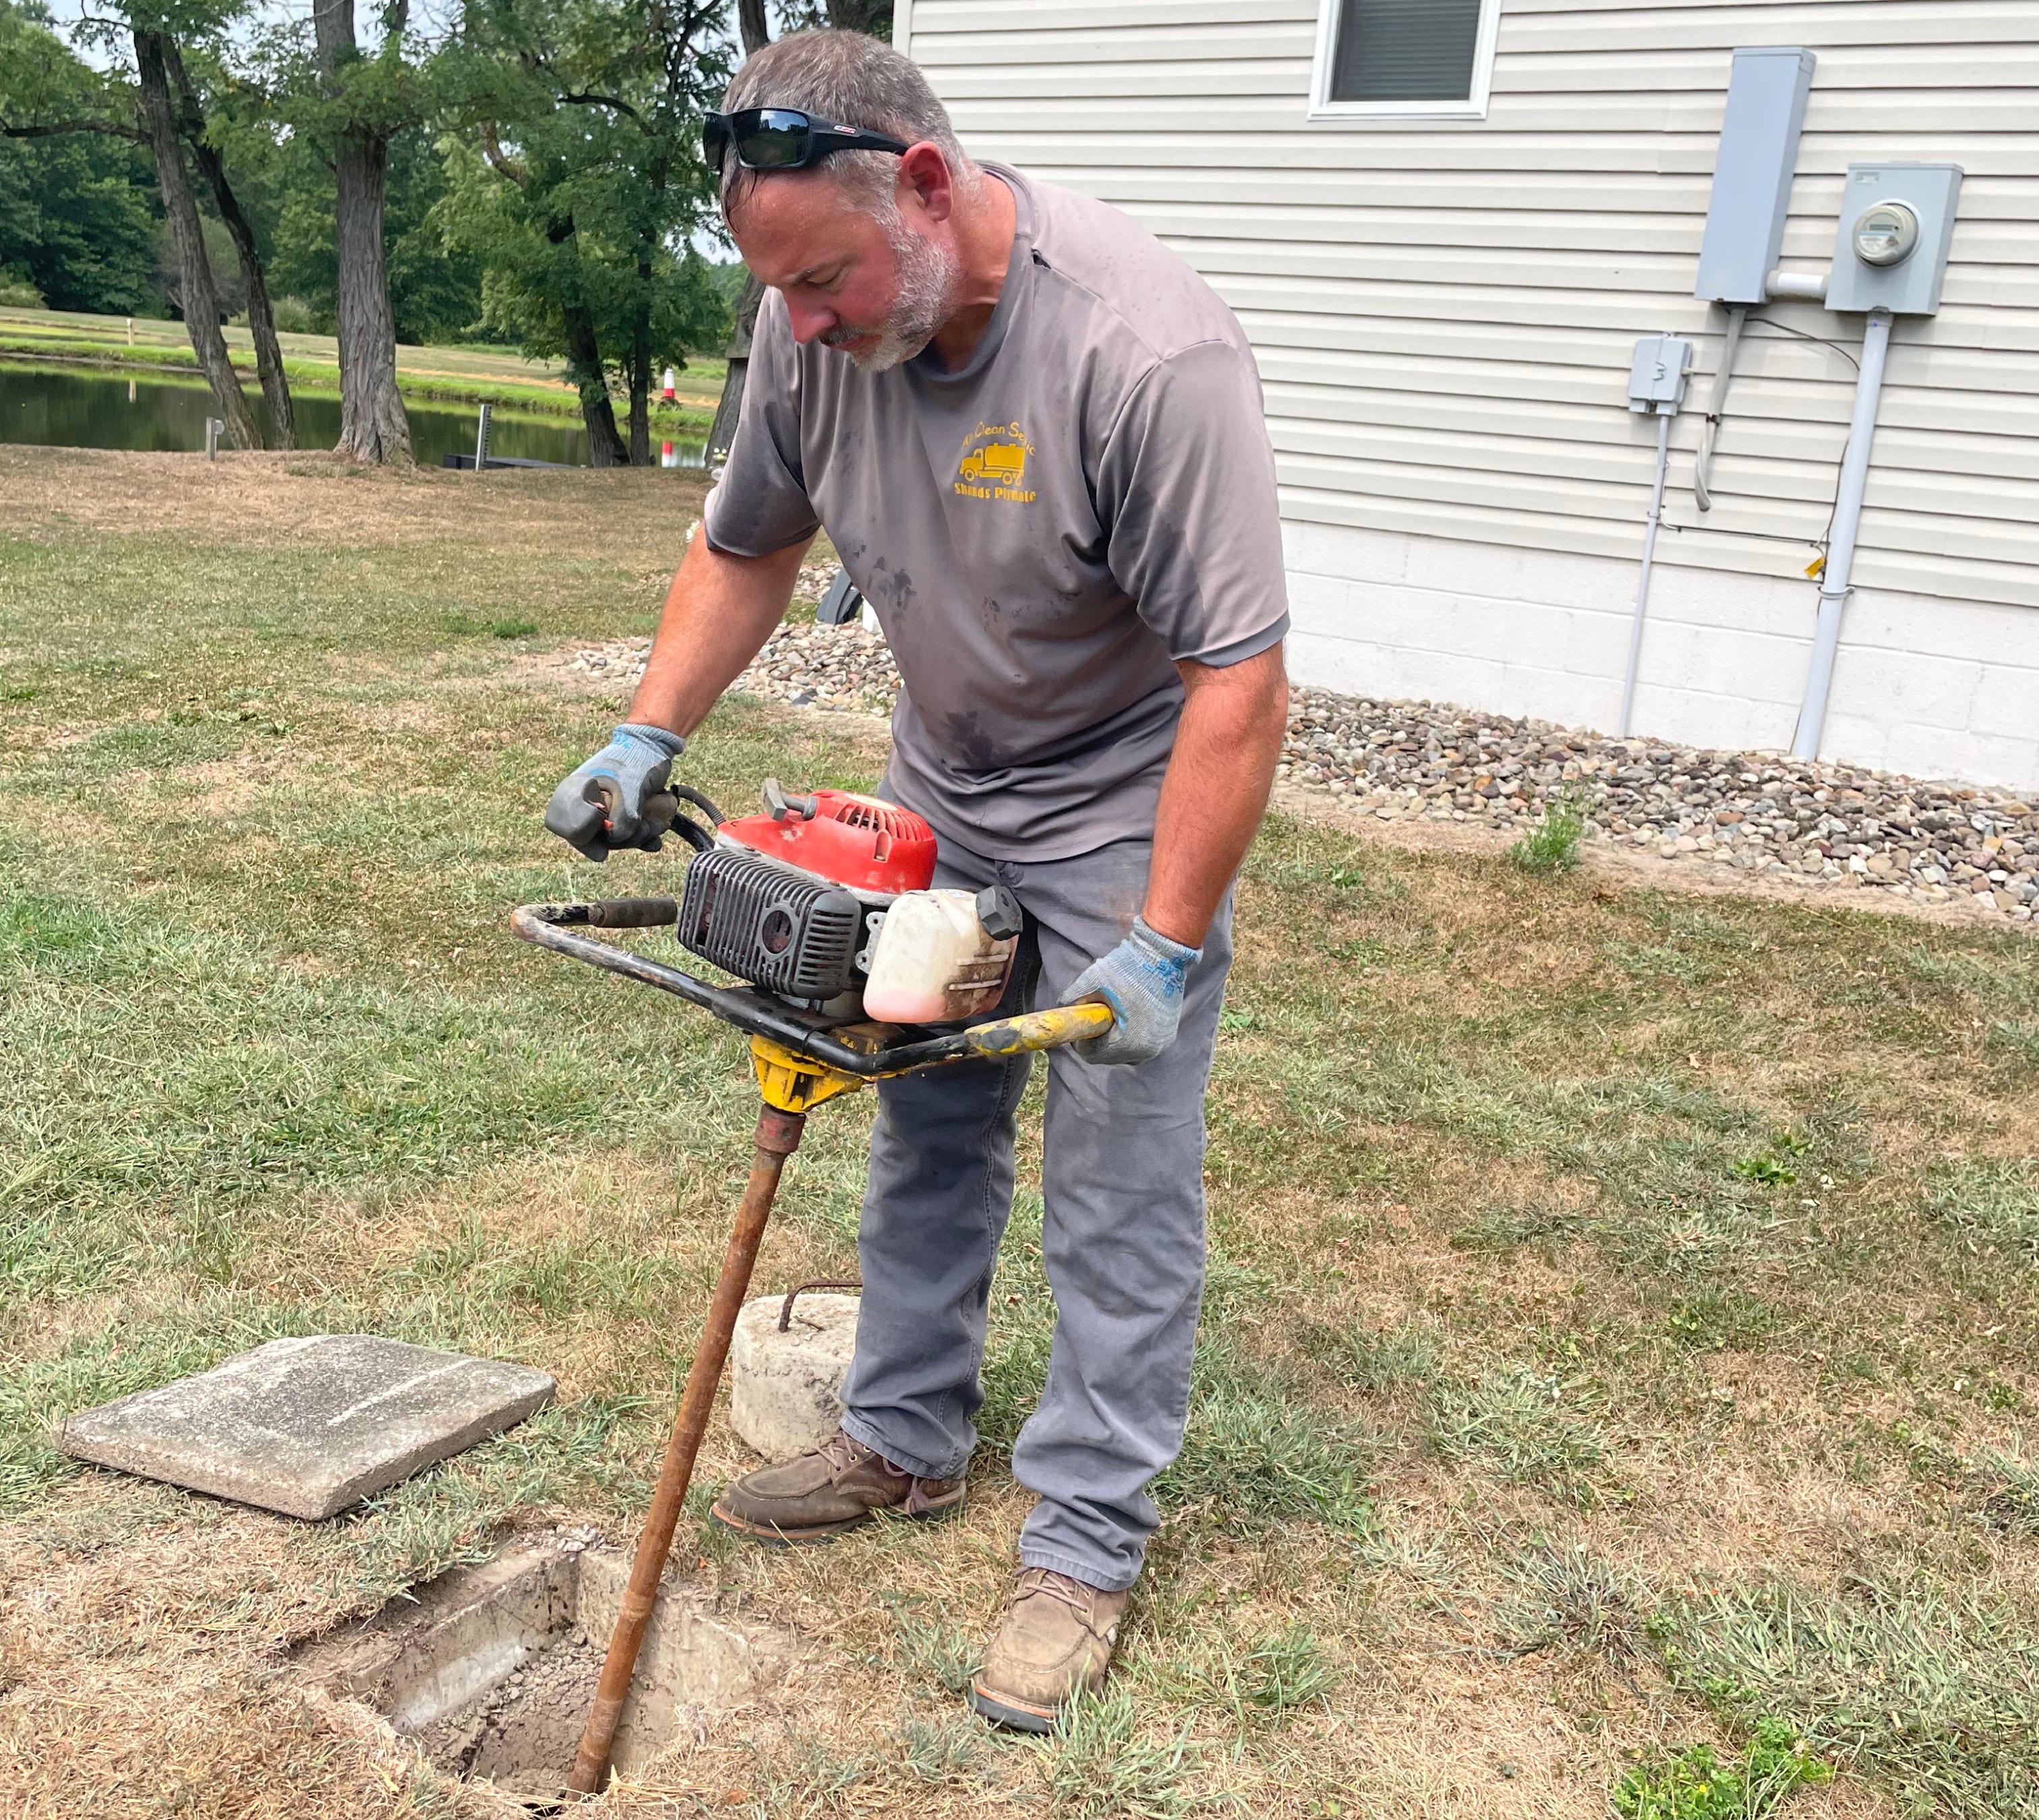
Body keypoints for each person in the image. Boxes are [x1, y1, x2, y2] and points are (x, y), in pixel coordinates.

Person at [543, 29, 1289, 1732]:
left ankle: (1087, 1543)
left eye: (823, 279)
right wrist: (647, 730)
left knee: (1117, 1175)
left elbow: (1238, 682)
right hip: (944, 784)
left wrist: (1161, 946)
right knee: (922, 1108)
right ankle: (902, 1437)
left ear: (932, 189)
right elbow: (747, 544)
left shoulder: (1142, 352)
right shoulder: (812, 316)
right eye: (778, 289)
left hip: (1121, 801)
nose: (801, 324)